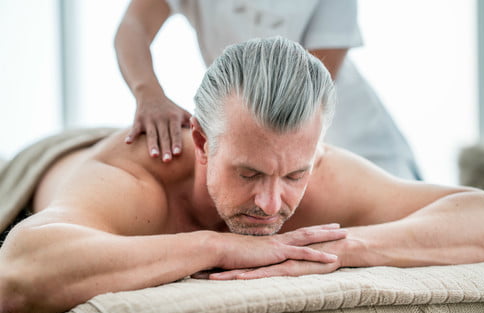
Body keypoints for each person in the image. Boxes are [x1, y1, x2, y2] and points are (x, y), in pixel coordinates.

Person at [0, 37, 484, 313]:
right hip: (47, 162)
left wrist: (334, 251)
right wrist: (216, 247)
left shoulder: (318, 168)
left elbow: (482, 218)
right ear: (201, 143)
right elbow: (17, 275)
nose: (268, 203)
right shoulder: (132, 182)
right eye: (248, 173)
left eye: (294, 175)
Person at [115, 0, 421, 179]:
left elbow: (308, 86)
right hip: (263, 135)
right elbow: (133, 26)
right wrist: (149, 95)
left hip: (357, 143)